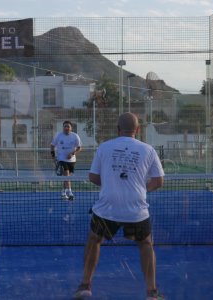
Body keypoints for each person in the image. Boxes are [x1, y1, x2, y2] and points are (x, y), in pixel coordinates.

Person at [73, 112, 165, 300]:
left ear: (117, 129)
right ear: (137, 130)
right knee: (146, 244)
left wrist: (110, 185)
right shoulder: (148, 150)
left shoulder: (104, 147)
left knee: (94, 241)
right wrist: (142, 189)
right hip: (137, 209)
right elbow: (158, 181)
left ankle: (85, 285)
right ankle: (152, 292)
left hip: (107, 208)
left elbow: (93, 176)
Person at [50, 120, 82, 200]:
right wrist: (53, 157)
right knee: (66, 175)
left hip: (72, 161)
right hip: (61, 159)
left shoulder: (75, 136)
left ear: (71, 128)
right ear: (63, 127)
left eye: (68, 126)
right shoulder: (58, 136)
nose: (66, 128)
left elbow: (79, 148)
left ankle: (63, 192)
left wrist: (72, 153)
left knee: (67, 177)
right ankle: (70, 193)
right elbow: (52, 146)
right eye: (65, 126)